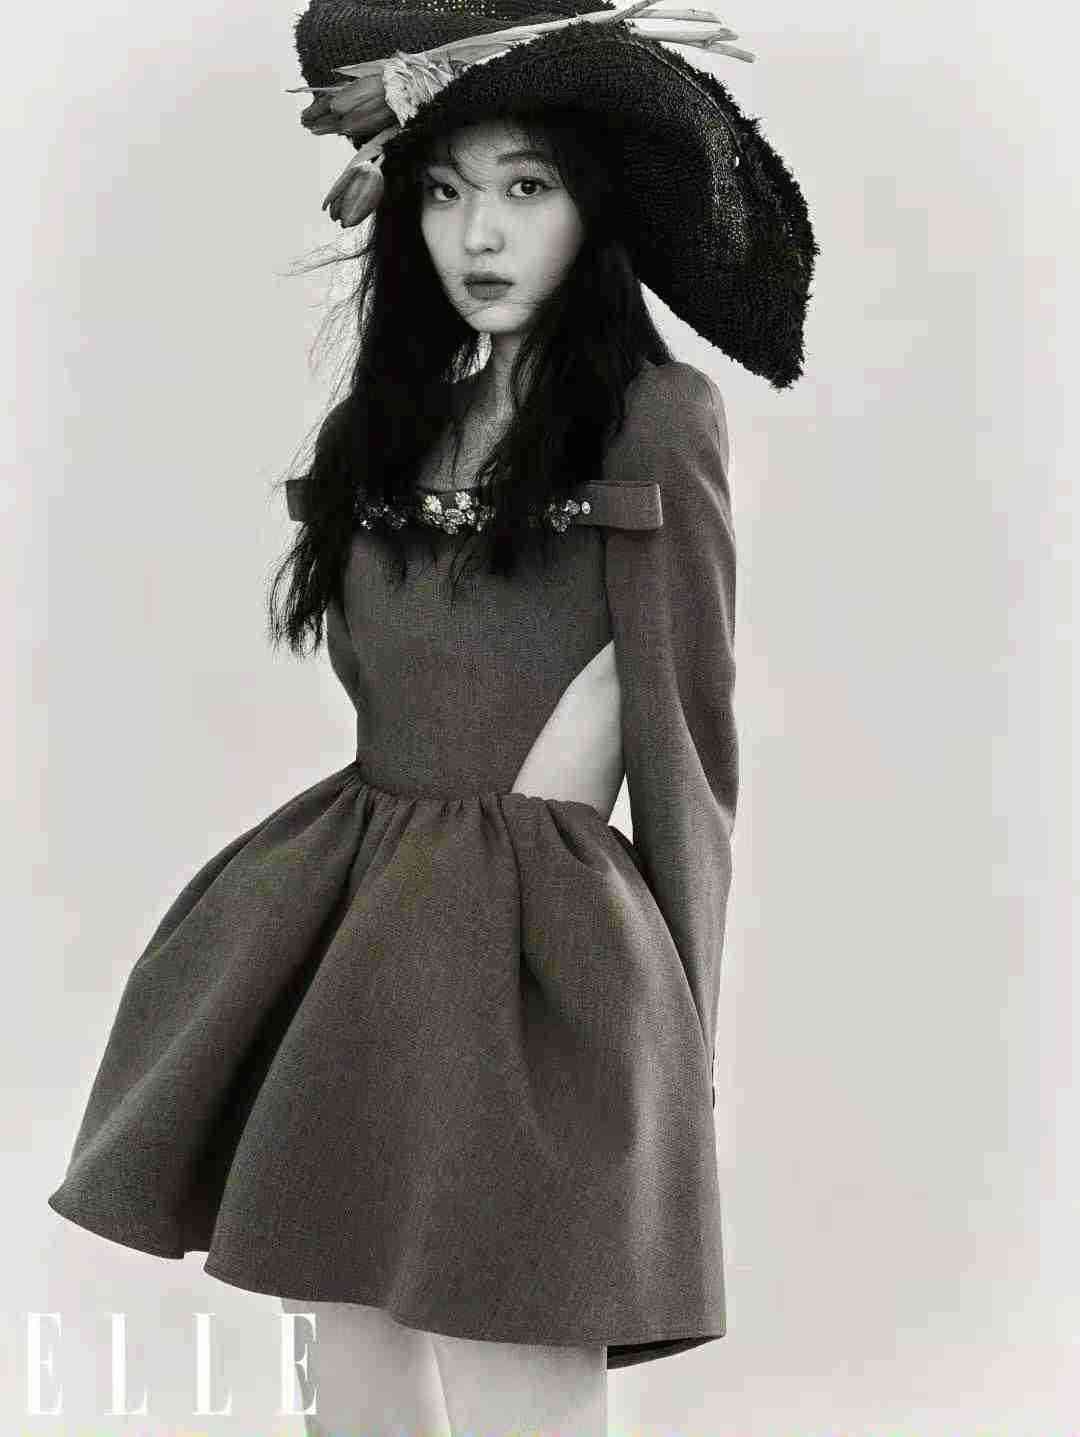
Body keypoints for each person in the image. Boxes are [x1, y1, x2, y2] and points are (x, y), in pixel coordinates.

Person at [47, 2, 818, 1433]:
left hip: (544, 959)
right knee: (349, 1365)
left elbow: (688, 745)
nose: (482, 234)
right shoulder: (387, 426)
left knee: (525, 1354)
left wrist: (684, 1037)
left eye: (527, 187)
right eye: (447, 191)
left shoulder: (656, 419)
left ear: (594, 207)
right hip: (353, 931)